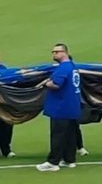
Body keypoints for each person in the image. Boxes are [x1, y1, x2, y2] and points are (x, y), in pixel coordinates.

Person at [36, 43, 81, 172]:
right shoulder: (73, 67)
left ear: (64, 53)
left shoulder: (63, 68)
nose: (54, 54)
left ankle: (53, 162)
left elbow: (56, 84)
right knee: (70, 135)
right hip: (72, 107)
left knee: (58, 135)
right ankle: (69, 159)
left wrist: (47, 83)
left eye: (56, 52)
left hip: (61, 108)